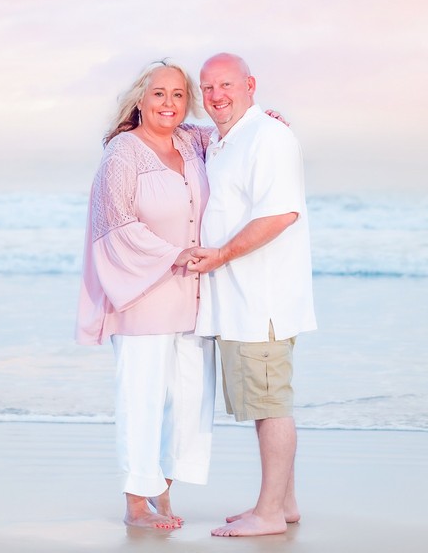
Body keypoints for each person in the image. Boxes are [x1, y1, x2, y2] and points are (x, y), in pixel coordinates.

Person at [75, 60, 216, 530]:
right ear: (140, 98)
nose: (169, 103)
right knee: (143, 397)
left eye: (178, 95)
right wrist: (176, 254)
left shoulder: (191, 142)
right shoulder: (123, 152)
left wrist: (266, 121)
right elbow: (115, 225)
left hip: (192, 295)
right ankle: (136, 502)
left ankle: (163, 491)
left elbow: (233, 138)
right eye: (159, 94)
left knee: (187, 399)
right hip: (143, 291)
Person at [188, 53, 317, 537]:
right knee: (265, 402)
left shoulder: (268, 136)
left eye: (226, 85)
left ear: (249, 85)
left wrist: (220, 254)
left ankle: (268, 514)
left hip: (261, 298)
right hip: (241, 299)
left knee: (270, 405)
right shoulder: (225, 140)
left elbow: (281, 214)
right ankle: (283, 503)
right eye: (208, 88)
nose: (216, 96)